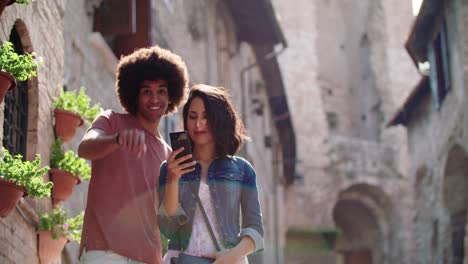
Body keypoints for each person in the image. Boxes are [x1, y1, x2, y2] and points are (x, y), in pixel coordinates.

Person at [77, 46, 189, 264]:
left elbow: (169, 220)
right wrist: (116, 139)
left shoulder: (168, 155)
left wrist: (175, 178)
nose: (154, 98)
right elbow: (84, 148)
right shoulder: (111, 121)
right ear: (135, 94)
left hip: (149, 258)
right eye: (147, 91)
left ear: (171, 95)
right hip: (103, 253)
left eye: (161, 91)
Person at [158, 84, 264, 264]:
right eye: (192, 117)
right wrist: (173, 178)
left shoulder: (242, 170)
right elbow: (169, 228)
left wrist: (230, 257)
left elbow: (255, 230)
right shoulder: (169, 168)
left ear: (219, 120)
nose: (198, 124)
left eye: (206, 117)